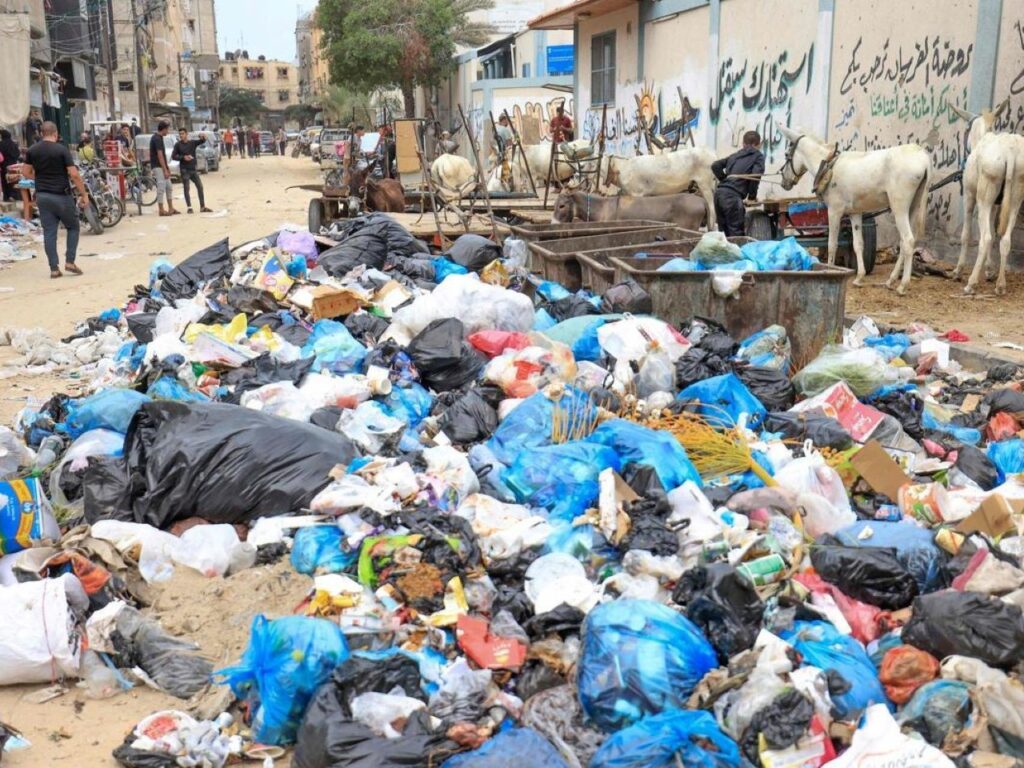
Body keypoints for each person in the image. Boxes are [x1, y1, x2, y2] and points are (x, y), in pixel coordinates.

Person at [20, 121, 89, 278]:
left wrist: (39, 178)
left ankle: (54, 269)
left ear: (42, 133)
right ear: (55, 133)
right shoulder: (61, 150)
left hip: (43, 196)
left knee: (49, 232)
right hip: (61, 196)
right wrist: (84, 194)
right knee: (73, 227)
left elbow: (25, 172)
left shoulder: (32, 150)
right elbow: (74, 174)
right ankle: (70, 261)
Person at [711, 130, 765, 237]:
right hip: (732, 199)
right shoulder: (758, 156)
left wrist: (725, 181)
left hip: (719, 195)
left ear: (743, 144)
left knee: (724, 235)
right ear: (758, 145)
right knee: (736, 235)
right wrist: (752, 197)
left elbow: (715, 165)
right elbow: (755, 176)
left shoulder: (735, 155)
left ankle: (726, 253)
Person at [172, 128, 211, 214]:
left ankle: (202, 207)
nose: (181, 135)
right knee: (186, 188)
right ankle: (189, 207)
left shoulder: (192, 143)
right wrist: (183, 157)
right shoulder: (178, 145)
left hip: (193, 169)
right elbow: (173, 156)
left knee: (200, 186)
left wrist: (203, 136)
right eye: (180, 134)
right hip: (184, 169)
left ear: (186, 134)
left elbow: (202, 141)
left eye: (182, 134)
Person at [150, 120, 178, 216]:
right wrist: (164, 169)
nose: (168, 131)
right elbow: (160, 155)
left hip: (162, 166)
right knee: (161, 187)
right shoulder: (156, 139)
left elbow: (163, 155)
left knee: (169, 187)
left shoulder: (160, 138)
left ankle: (171, 208)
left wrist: (167, 167)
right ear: (164, 129)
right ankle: (161, 209)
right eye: (167, 129)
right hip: (157, 166)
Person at [0, 129, 21, 202]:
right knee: (14, 180)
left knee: (4, 180)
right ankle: (15, 195)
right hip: (13, 165)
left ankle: (6, 196)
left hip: (4, 165)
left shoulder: (1, 144)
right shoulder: (13, 144)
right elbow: (18, 154)